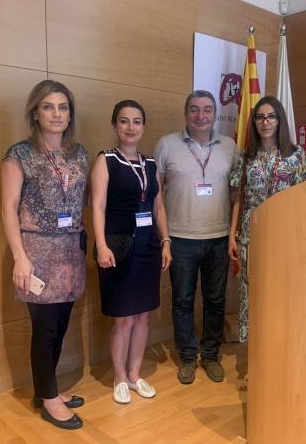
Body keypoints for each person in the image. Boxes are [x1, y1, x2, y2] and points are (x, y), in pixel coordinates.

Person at [1, 80, 87, 430]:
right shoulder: (20, 154)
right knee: (45, 329)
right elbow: (8, 208)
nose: (56, 114)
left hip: (70, 252)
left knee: (61, 325)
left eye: (63, 107)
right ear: (35, 113)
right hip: (36, 253)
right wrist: (20, 257)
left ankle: (46, 388)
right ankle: (48, 399)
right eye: (48, 107)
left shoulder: (79, 154)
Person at [153, 90, 240, 384]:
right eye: (194, 109)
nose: (200, 116)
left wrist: (233, 233)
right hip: (180, 238)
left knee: (215, 300)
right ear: (185, 113)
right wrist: (164, 237)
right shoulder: (166, 145)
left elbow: (236, 193)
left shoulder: (229, 147)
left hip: (219, 237)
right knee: (183, 300)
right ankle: (188, 356)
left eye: (207, 109)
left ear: (215, 114)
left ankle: (211, 355)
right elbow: (155, 195)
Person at [91, 100, 172, 404]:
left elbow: (158, 207)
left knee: (142, 316)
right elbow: (97, 206)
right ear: (115, 125)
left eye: (136, 121)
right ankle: (119, 376)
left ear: (143, 126)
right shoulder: (106, 160)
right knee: (123, 319)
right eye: (124, 121)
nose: (130, 127)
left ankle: (135, 374)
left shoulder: (150, 164)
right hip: (119, 248)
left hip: (148, 247)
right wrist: (101, 245)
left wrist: (166, 241)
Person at [228, 96, 306, 343]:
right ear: (254, 122)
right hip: (251, 235)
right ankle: (256, 347)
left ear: (280, 120)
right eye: (260, 117)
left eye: (271, 117)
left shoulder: (295, 155)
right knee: (253, 289)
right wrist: (232, 235)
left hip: (285, 234)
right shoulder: (247, 156)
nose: (265, 122)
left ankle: (281, 344)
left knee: (282, 288)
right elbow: (238, 198)